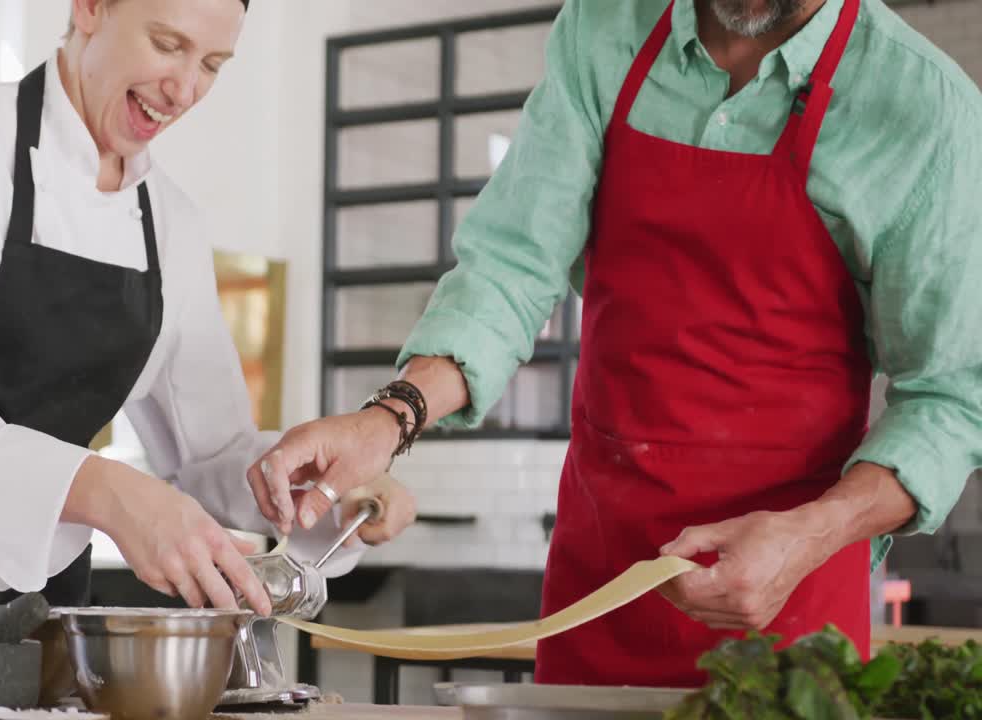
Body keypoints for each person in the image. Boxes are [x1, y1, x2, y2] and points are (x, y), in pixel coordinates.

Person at [249, 0, 982, 688]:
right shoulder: (604, 26)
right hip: (601, 583)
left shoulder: (925, 106)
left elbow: (951, 399)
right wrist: (389, 418)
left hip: (791, 605)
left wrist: (814, 533)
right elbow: (511, 266)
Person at [0, 0, 414, 690]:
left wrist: (321, 491)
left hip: (40, 623)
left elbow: (211, 454)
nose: (185, 89)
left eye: (212, 64)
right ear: (91, 8)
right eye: (168, 44)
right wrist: (102, 490)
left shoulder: (171, 224)